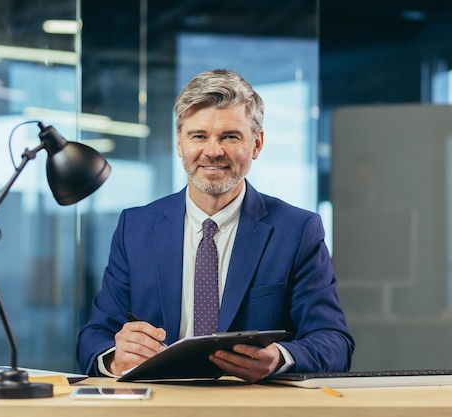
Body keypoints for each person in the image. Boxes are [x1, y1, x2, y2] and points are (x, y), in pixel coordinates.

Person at [77, 69, 354, 383]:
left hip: (253, 407)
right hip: (157, 407)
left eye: (230, 136)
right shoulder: (135, 227)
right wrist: (115, 357)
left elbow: (335, 343)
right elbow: (93, 336)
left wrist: (278, 358)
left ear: (257, 144)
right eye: (198, 136)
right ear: (179, 143)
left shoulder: (298, 230)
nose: (213, 151)